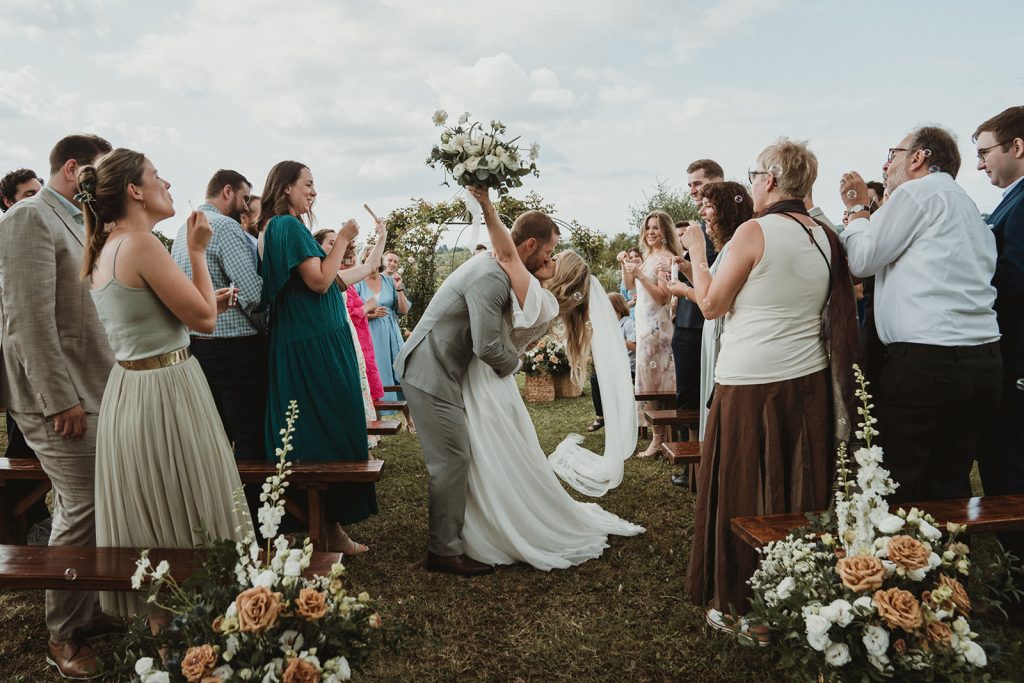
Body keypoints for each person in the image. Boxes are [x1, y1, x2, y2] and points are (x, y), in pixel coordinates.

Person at [684, 138, 858, 632]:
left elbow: (713, 304)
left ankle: (746, 607)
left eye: (755, 173)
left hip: (750, 382)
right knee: (794, 487)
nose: (754, 180)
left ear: (771, 179)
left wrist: (698, 251)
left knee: (743, 486)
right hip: (809, 381)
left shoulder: (754, 232)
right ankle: (794, 594)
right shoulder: (826, 234)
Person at [78, 148, 250, 622]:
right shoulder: (141, 243)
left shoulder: (108, 243)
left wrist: (201, 297)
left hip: (130, 390)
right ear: (135, 191)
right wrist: (196, 250)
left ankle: (164, 628)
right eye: (157, 176)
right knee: (187, 493)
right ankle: (207, 624)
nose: (167, 183)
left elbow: (153, 312)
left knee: (154, 504)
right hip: (166, 386)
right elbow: (205, 321)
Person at [458, 186, 643, 570]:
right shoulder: (540, 297)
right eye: (549, 251)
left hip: (487, 374)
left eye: (553, 257)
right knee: (498, 449)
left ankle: (496, 519)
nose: (548, 257)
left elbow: (508, 252)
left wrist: (488, 206)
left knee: (489, 448)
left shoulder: (541, 300)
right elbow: (509, 255)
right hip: (493, 376)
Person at [0, 133, 115, 679]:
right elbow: (27, 319)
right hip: (56, 397)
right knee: (83, 502)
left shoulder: (76, 220)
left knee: (100, 500)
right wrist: (57, 399)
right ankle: (63, 633)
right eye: (99, 171)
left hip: (93, 386)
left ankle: (89, 605)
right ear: (73, 169)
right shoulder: (28, 218)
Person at [395, 202, 559, 576]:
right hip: (429, 371)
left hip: (439, 369)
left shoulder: (493, 266)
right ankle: (443, 552)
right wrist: (518, 364)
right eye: (548, 252)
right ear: (530, 245)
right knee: (451, 459)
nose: (550, 259)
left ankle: (457, 537)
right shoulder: (491, 277)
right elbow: (487, 346)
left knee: (456, 456)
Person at [839, 126, 1001, 504]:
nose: (886, 163)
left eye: (892, 153)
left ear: (918, 157)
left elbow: (862, 260)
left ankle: (902, 561)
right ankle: (950, 560)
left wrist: (857, 210)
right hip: (982, 362)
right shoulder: (964, 204)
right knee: (949, 479)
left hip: (928, 365)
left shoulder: (917, 192)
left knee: (899, 481)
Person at [258, 160, 380, 555]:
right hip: (310, 347)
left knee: (335, 429)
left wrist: (371, 253)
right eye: (307, 184)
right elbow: (320, 280)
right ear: (286, 188)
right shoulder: (285, 225)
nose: (313, 191)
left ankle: (331, 527)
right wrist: (343, 237)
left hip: (320, 340)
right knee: (322, 433)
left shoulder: (290, 229)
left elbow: (335, 281)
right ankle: (324, 529)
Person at [172, 170, 266, 460]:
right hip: (236, 349)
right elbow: (251, 294)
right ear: (228, 191)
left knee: (216, 436)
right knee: (250, 435)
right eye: (245, 197)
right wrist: (269, 327)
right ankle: (253, 505)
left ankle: (223, 503)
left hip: (198, 346)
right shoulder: (224, 226)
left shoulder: (183, 230)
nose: (247, 206)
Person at [974, 106, 1024, 597]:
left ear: (1017, 146)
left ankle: (1018, 588)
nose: (981, 163)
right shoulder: (1012, 200)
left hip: (1016, 358)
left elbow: (1015, 279)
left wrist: (964, 280)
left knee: (1009, 467)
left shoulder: (1023, 203)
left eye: (986, 151)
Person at [666, 181, 753, 442]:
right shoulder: (729, 247)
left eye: (708, 206)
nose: (702, 213)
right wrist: (689, 270)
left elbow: (711, 303)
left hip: (724, 334)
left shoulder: (736, 247)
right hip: (713, 333)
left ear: (726, 210)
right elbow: (712, 286)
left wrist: (696, 251)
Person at [313, 229, 387, 450]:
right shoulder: (319, 276)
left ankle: (361, 443)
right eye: (331, 243)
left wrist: (382, 237)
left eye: (339, 242)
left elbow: (371, 266)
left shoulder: (338, 274)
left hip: (350, 337)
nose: (337, 246)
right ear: (316, 246)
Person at [623, 210, 681, 457]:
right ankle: (660, 438)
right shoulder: (648, 257)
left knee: (658, 387)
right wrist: (626, 266)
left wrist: (640, 276)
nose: (650, 232)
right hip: (645, 326)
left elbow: (663, 297)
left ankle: (659, 440)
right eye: (647, 228)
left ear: (665, 230)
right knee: (650, 385)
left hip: (659, 329)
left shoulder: (665, 259)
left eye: (656, 228)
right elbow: (628, 286)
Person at [355, 248, 411, 413]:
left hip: (391, 333)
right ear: (364, 261)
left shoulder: (388, 281)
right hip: (370, 333)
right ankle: (377, 419)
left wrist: (399, 289)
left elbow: (403, 310)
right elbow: (351, 314)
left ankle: (409, 418)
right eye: (367, 257)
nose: (371, 261)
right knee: (377, 372)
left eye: (374, 258)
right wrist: (371, 314)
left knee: (400, 371)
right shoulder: (357, 284)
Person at [587, 292, 635, 432]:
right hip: (615, 365)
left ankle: (612, 417)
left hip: (628, 366)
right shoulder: (609, 325)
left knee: (598, 378)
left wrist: (617, 338)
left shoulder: (628, 323)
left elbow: (634, 346)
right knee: (596, 378)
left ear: (618, 308)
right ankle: (602, 416)